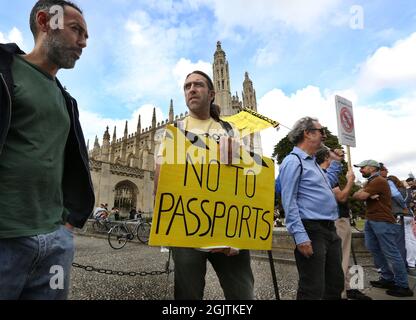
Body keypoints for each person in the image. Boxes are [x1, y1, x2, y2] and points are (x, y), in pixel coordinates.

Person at [0, 0, 94, 300]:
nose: (83, 42)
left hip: (55, 243)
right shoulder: (4, 72)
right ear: (44, 21)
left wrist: (67, 224)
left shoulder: (66, 100)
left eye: (86, 36)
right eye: (76, 30)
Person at [154, 70, 254, 300]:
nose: (191, 89)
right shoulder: (174, 131)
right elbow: (162, 178)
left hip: (227, 229)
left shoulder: (230, 130)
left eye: (197, 84)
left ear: (212, 94)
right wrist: (166, 229)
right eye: (187, 86)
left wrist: (239, 236)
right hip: (187, 230)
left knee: (242, 295)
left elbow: (246, 179)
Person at [278, 117, 344, 300]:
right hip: (312, 230)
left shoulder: (312, 162)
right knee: (312, 288)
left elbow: (325, 185)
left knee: (334, 284)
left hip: (329, 229)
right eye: (321, 131)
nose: (324, 135)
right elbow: (288, 200)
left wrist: (336, 163)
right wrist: (300, 236)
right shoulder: (293, 161)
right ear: (307, 133)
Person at [315, 147, 371, 300]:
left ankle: (346, 287)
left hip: (340, 218)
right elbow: (341, 197)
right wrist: (350, 181)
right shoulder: (325, 174)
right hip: (338, 219)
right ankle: (340, 292)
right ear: (327, 157)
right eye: (333, 152)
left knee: (343, 256)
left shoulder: (325, 173)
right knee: (340, 258)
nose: (340, 154)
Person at [352, 160, 413, 297]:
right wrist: (363, 192)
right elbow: (358, 195)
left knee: (391, 252)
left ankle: (403, 285)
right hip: (372, 220)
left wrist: (363, 192)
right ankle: (387, 278)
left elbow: (359, 196)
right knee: (374, 248)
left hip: (382, 221)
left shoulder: (377, 181)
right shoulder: (372, 181)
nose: (360, 170)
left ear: (372, 168)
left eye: (363, 168)